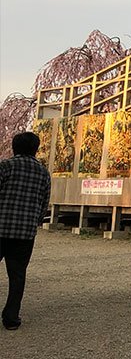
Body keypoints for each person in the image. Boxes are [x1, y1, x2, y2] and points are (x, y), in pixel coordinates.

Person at [0, 132, 51, 330]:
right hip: (24, 233)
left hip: (1, 228)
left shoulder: (5, 166)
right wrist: (34, 223)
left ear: (14, 147)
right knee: (17, 275)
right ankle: (11, 318)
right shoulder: (42, 172)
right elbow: (44, 203)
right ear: (36, 149)